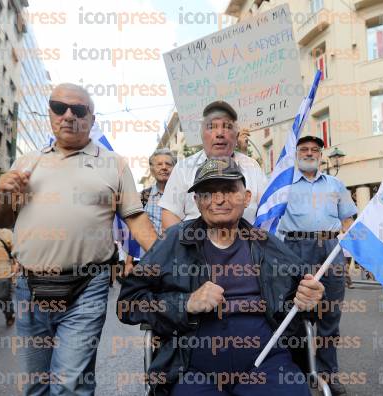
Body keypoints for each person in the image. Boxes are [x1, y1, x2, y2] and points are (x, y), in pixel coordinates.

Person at [0, 83, 157, 395]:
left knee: (69, 384)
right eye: (59, 107)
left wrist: (172, 262)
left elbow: (135, 217)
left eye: (78, 110)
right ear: (50, 114)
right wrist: (3, 195)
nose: (68, 115)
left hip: (87, 287)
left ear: (91, 119)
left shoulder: (114, 164)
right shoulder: (25, 162)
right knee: (35, 385)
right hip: (29, 286)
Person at [118, 158, 325, 395]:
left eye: (228, 190)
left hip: (267, 364)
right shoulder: (174, 241)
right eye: (207, 193)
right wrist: (186, 303)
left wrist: (312, 300)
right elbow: (128, 304)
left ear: (246, 198)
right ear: (196, 201)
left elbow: (306, 305)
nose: (218, 200)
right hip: (193, 368)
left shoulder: (267, 244)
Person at [278, 135, 358, 396]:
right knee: (292, 314)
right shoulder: (284, 186)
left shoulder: (336, 184)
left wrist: (344, 257)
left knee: (329, 316)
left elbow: (348, 221)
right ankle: (297, 374)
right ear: (296, 154)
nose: (310, 153)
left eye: (315, 149)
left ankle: (326, 373)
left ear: (321, 155)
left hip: (329, 248)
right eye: (304, 149)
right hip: (292, 250)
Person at [159, 101, 267, 229]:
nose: (220, 133)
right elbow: (170, 214)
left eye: (227, 126)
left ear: (236, 134)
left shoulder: (252, 166)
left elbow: (267, 210)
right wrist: (186, 247)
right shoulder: (183, 169)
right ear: (202, 134)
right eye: (211, 127)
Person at [125, 148, 176, 274]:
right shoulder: (142, 197)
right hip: (148, 262)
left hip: (176, 262)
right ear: (152, 170)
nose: (164, 167)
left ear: (175, 169)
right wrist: (129, 262)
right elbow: (133, 230)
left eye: (168, 164)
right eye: (159, 164)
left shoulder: (186, 195)